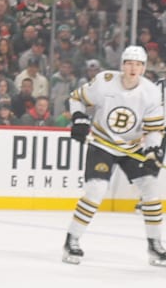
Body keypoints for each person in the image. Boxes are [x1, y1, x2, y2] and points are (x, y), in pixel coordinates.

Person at [63, 44, 166, 265]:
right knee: (96, 190)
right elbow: (76, 98)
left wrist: (152, 150)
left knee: (150, 188)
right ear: (122, 65)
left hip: (132, 147)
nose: (133, 68)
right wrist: (79, 118)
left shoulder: (151, 92)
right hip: (103, 143)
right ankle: (72, 240)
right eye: (129, 63)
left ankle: (155, 245)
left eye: (138, 64)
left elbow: (154, 129)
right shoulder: (105, 81)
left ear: (144, 67)